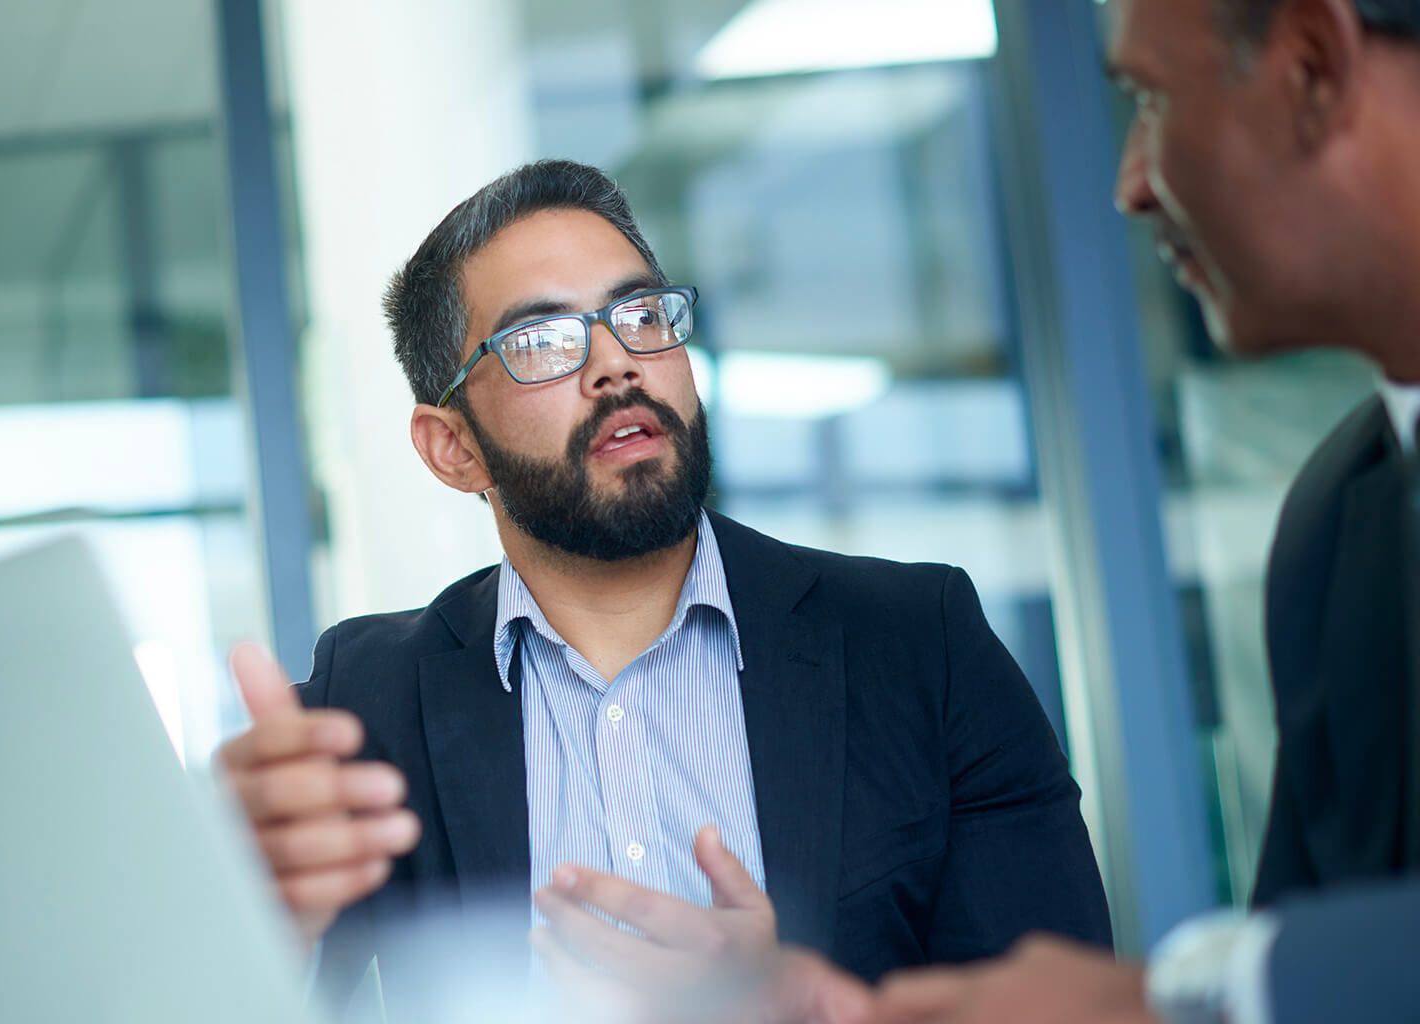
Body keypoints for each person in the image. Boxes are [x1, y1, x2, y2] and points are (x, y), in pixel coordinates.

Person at [214, 158, 1111, 1016]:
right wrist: (237, 915)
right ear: (454, 448)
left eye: (639, 314)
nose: (616, 364)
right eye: (543, 341)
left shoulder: (920, 648)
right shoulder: (363, 709)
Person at [864, 0, 1420, 1021]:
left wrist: (1166, 998)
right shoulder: (1339, 524)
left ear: (1311, 65)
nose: (1128, 186)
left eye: (1152, 100)